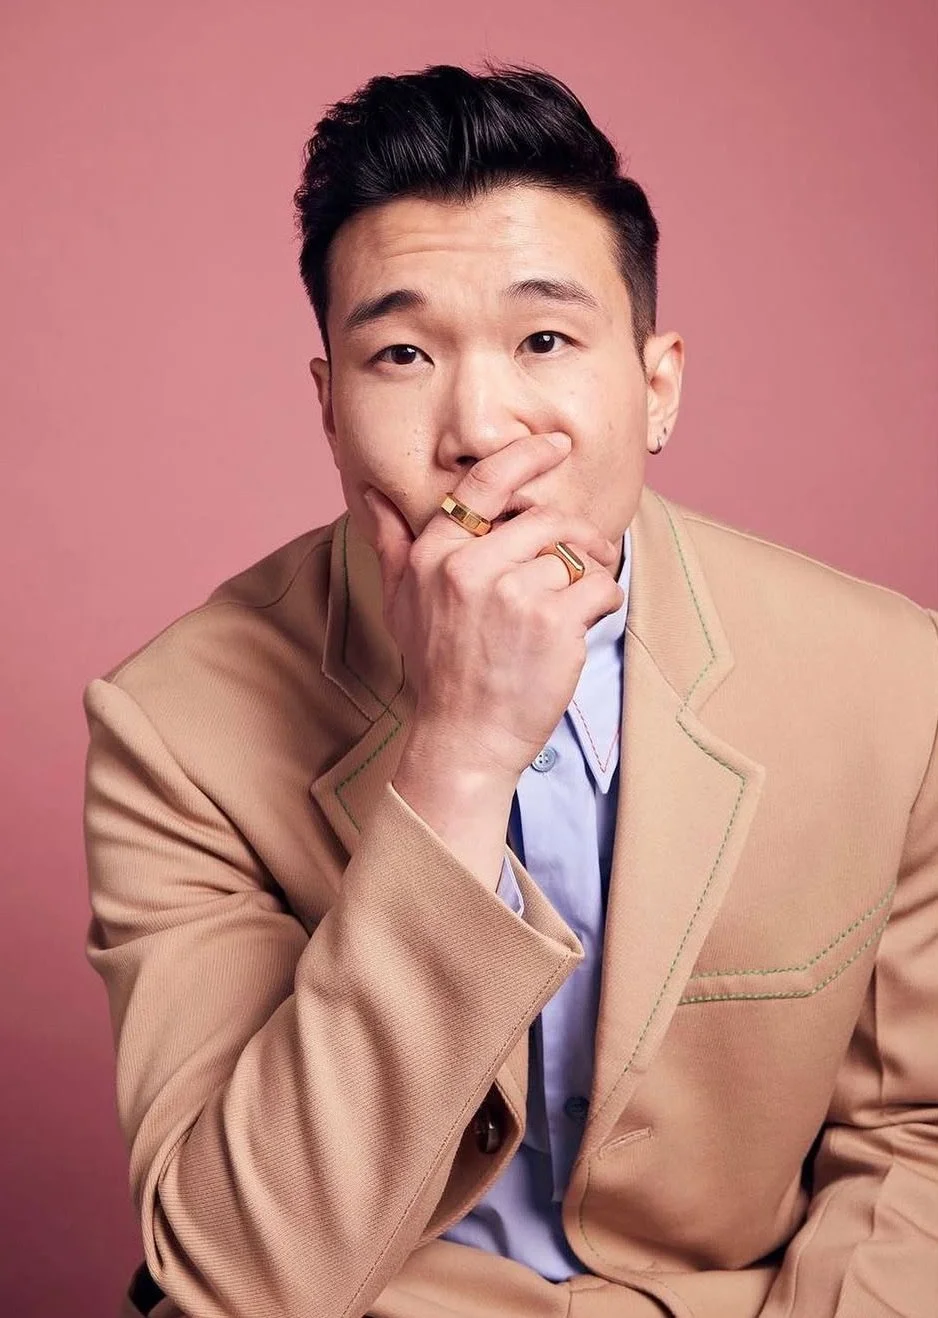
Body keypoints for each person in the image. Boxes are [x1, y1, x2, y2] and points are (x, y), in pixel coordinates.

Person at [82, 62, 938, 1318]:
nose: (477, 424)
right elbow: (234, 1274)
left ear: (656, 387)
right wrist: (459, 754)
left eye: (544, 339)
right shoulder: (172, 728)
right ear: (326, 408)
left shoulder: (891, 679)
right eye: (402, 351)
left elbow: (912, 1144)